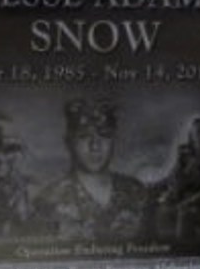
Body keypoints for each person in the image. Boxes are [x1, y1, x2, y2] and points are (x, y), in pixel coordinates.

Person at [35, 99, 148, 240]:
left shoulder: (136, 191)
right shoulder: (49, 200)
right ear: (69, 142)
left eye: (104, 136)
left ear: (114, 141)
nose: (95, 146)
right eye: (84, 136)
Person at [157, 116, 200, 241]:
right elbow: (172, 178)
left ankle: (184, 248)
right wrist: (158, 187)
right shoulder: (186, 152)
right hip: (184, 196)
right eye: (198, 132)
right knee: (153, 204)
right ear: (191, 134)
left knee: (185, 214)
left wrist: (184, 203)